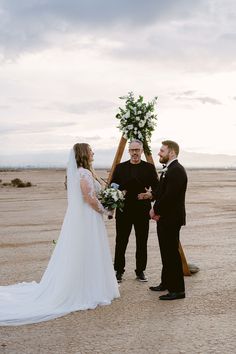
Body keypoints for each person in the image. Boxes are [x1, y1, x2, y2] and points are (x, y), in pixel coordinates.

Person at [0, 143, 119, 326]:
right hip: (88, 218)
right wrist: (106, 210)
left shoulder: (81, 172)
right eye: (90, 150)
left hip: (85, 218)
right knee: (87, 249)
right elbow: (89, 199)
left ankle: (90, 284)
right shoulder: (84, 173)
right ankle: (87, 288)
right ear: (83, 154)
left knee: (85, 250)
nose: (93, 152)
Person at [111, 139, 158, 283]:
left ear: (142, 151)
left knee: (142, 242)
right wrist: (120, 192)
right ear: (129, 151)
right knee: (121, 241)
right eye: (132, 150)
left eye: (137, 150)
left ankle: (140, 271)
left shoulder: (149, 168)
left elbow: (157, 189)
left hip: (142, 210)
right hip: (124, 210)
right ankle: (118, 271)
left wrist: (149, 195)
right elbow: (113, 187)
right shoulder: (120, 168)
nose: (135, 153)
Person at [149, 140, 187, 300]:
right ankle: (166, 282)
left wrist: (155, 210)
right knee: (166, 252)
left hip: (171, 219)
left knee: (171, 253)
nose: (159, 153)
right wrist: (151, 195)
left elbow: (169, 197)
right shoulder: (169, 169)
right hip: (165, 218)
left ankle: (178, 290)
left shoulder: (176, 170)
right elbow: (161, 191)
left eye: (162, 150)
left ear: (172, 152)